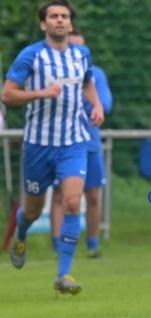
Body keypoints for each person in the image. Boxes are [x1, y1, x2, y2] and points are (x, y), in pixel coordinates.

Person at [2, 0, 104, 295]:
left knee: (73, 202)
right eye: (53, 16)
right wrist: (40, 93)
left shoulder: (81, 54)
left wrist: (96, 104)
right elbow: (7, 94)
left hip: (73, 143)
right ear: (43, 24)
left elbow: (87, 83)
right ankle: (22, 233)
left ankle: (64, 274)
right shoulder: (31, 56)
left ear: (70, 24)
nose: (59, 20)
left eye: (64, 16)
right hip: (38, 146)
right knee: (33, 210)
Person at [50, 29, 113, 259]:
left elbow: (104, 104)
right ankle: (58, 246)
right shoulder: (54, 72)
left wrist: (82, 105)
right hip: (62, 140)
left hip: (89, 142)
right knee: (60, 195)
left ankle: (93, 245)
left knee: (93, 195)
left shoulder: (95, 74)